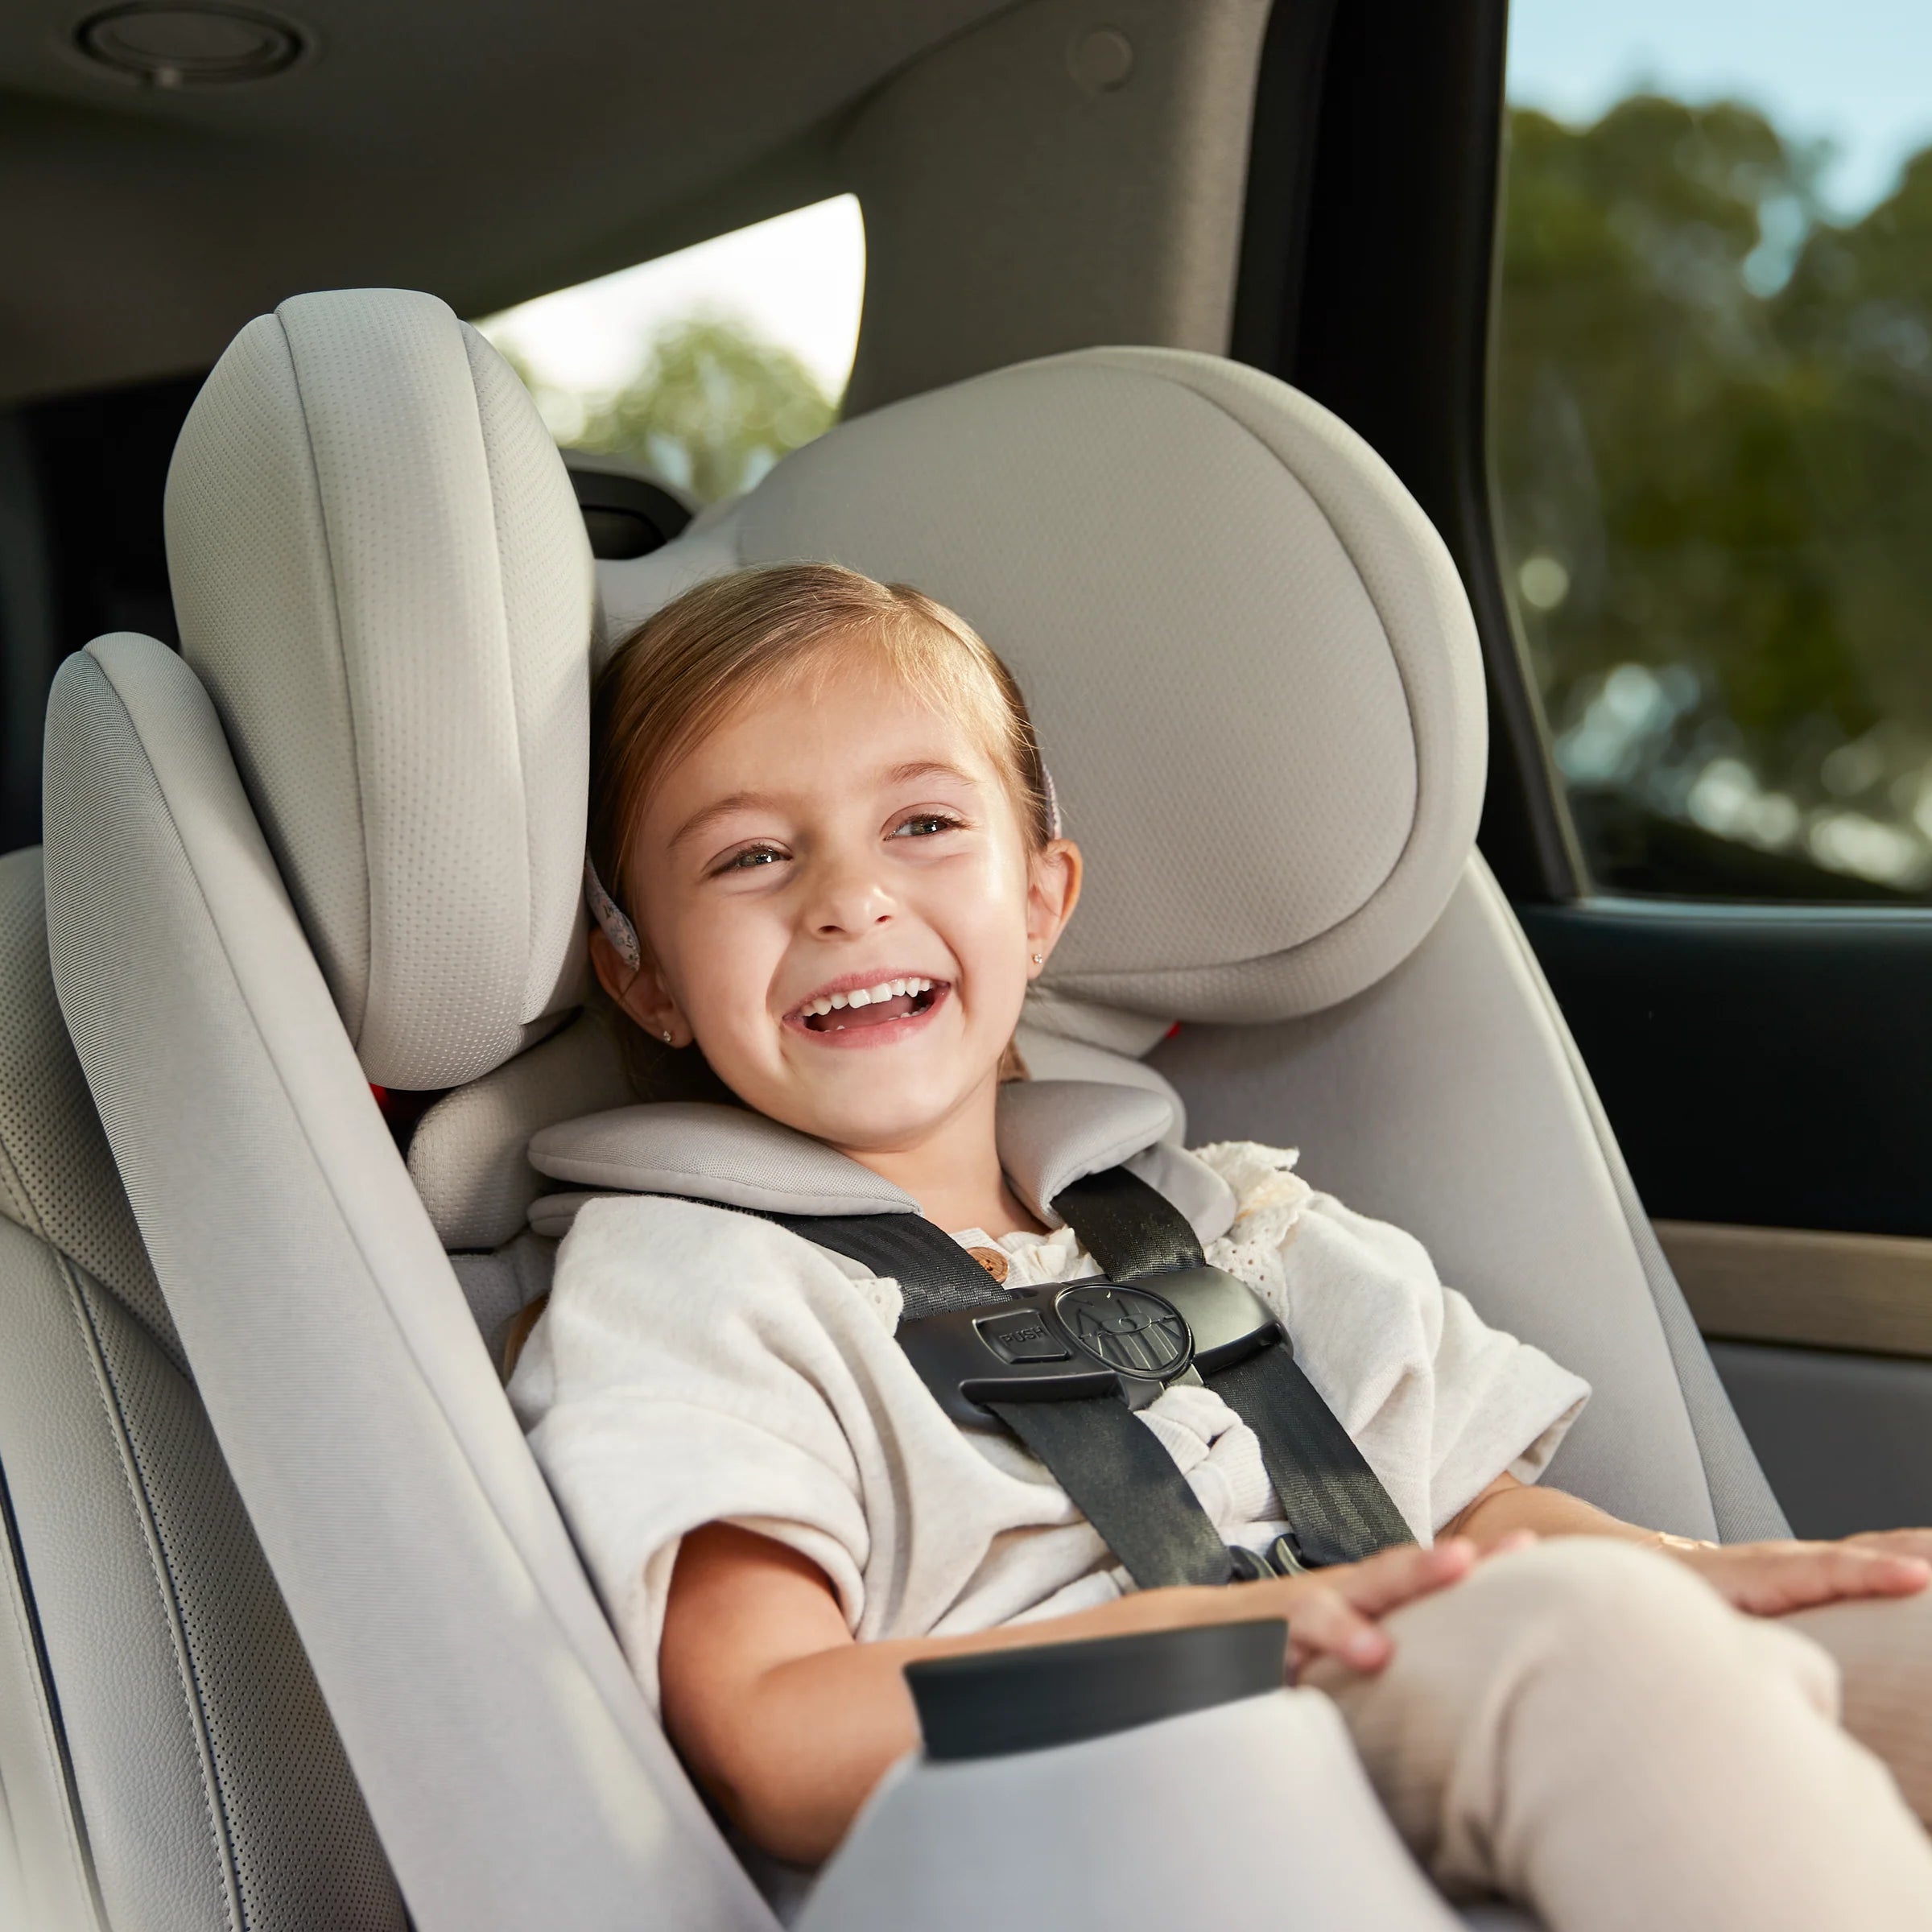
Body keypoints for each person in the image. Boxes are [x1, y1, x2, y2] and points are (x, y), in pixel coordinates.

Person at [508, 562, 1932, 1930]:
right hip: (1068, 1804)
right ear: (641, 974)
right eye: (751, 856)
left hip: (1392, 1706)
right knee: (1586, 1641)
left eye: (923, 825)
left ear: (1041, 902)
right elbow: (772, 1734)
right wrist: (1260, 1633)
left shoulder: (1229, 1226)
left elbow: (1484, 1520)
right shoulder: (692, 1288)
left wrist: (1699, 1575)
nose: (847, 898)